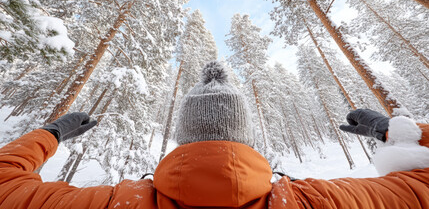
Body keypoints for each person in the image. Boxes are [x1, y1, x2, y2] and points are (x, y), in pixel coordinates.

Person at [0, 61, 428, 209]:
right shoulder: (315, 202)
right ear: (246, 137)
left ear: (182, 136)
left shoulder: (119, 203)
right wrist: (399, 133)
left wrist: (51, 133)